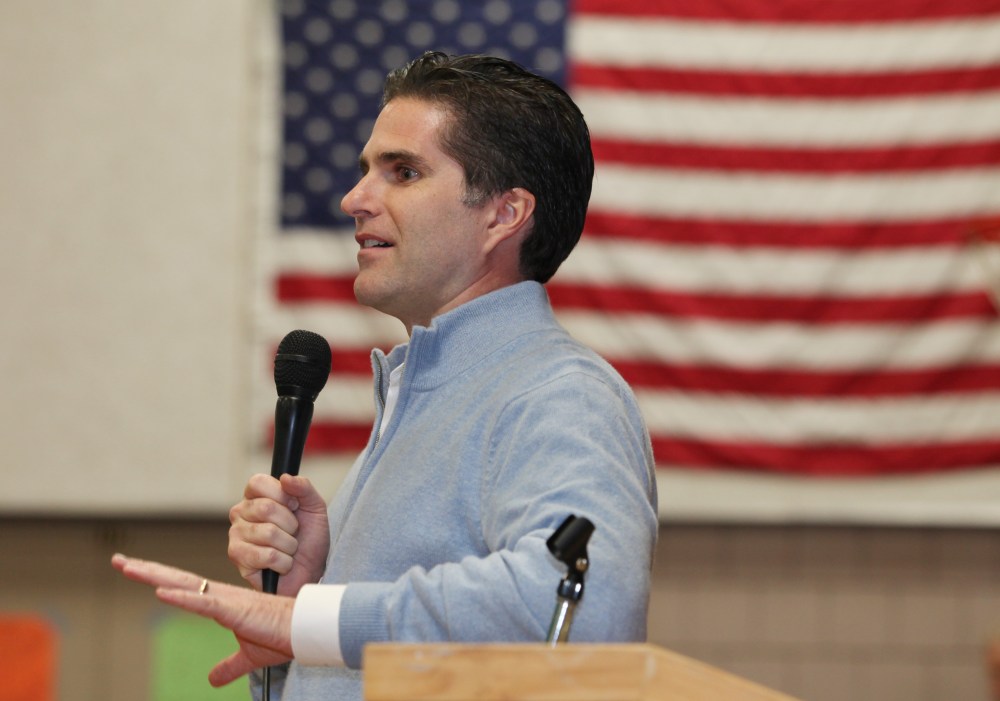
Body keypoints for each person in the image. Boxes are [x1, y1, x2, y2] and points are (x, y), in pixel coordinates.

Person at [112, 51, 658, 700]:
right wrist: (299, 610)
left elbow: (585, 606)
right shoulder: (427, 400)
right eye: (366, 170)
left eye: (404, 172)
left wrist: (314, 620)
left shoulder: (561, 394)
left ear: (503, 215)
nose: (355, 199)